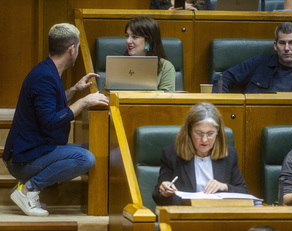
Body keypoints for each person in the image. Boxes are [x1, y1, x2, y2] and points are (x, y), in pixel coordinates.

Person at [2, 23, 109, 216]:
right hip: (23, 159)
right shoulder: (44, 77)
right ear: (72, 49)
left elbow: (50, 105)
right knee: (85, 158)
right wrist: (83, 102)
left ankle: (24, 189)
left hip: (33, 151)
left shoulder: (48, 71)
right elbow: (51, 121)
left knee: (91, 150)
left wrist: (74, 90)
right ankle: (28, 191)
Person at [152, 102, 248, 205]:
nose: (205, 139)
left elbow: (244, 192)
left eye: (210, 133)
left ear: (217, 132)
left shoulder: (229, 155)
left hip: (218, 216)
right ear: (189, 131)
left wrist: (224, 187)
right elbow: (158, 197)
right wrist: (164, 192)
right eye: (199, 133)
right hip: (185, 216)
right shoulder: (172, 155)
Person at [212, 22, 292, 93]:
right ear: (275, 45)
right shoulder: (258, 63)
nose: (287, 48)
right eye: (282, 43)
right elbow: (222, 79)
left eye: (291, 43)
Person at [125, 16, 175, 92]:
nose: (128, 41)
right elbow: (109, 94)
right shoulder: (118, 64)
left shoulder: (165, 67)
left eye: (134, 37)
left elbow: (166, 99)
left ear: (148, 40)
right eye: (127, 36)